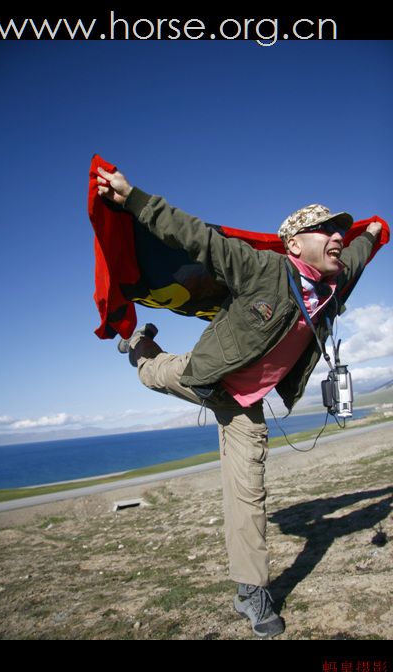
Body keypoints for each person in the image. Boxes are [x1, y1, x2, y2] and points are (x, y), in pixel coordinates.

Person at [96, 165, 382, 639]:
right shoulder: (262, 269)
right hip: (204, 375)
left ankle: (251, 591)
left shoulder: (337, 280)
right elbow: (198, 240)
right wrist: (134, 199)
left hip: (244, 407)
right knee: (154, 374)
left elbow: (360, 250)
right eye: (323, 230)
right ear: (293, 244)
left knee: (249, 494)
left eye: (338, 229)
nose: (336, 236)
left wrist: (371, 231)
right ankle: (142, 347)